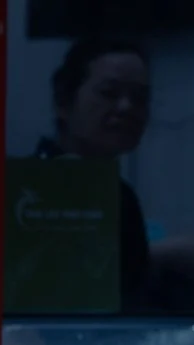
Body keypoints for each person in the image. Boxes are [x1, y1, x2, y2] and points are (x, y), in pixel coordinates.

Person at [35, 36, 155, 310]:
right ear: (63, 101)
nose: (127, 108)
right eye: (109, 93)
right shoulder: (32, 189)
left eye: (140, 98)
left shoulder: (120, 195)